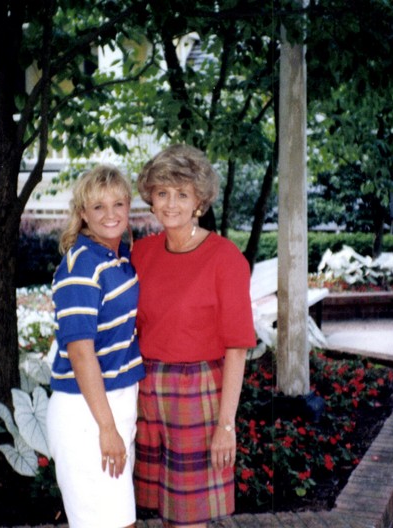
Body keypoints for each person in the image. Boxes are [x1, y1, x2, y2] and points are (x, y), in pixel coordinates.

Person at [132, 144, 256, 527]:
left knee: (189, 518)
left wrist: (226, 426)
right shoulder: (141, 253)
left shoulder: (225, 258)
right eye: (163, 192)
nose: (171, 204)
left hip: (197, 395)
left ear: (199, 201)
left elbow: (237, 348)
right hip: (146, 391)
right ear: (151, 198)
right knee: (163, 513)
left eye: (182, 194)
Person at [46, 165, 145, 528]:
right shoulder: (81, 265)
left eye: (118, 204)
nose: (110, 214)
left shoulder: (117, 258)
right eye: (98, 206)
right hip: (86, 413)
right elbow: (80, 351)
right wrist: (106, 427)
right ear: (83, 213)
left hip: (114, 404)